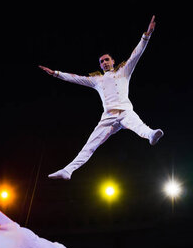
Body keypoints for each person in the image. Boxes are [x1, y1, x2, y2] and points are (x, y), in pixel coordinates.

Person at [39, 15, 164, 180]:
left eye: (106, 59)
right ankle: (68, 170)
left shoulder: (123, 71)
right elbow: (75, 78)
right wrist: (56, 74)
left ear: (113, 61)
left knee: (138, 124)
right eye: (101, 61)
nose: (104, 62)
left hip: (125, 111)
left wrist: (146, 35)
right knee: (90, 145)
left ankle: (151, 135)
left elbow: (136, 55)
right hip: (108, 117)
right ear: (100, 65)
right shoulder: (96, 79)